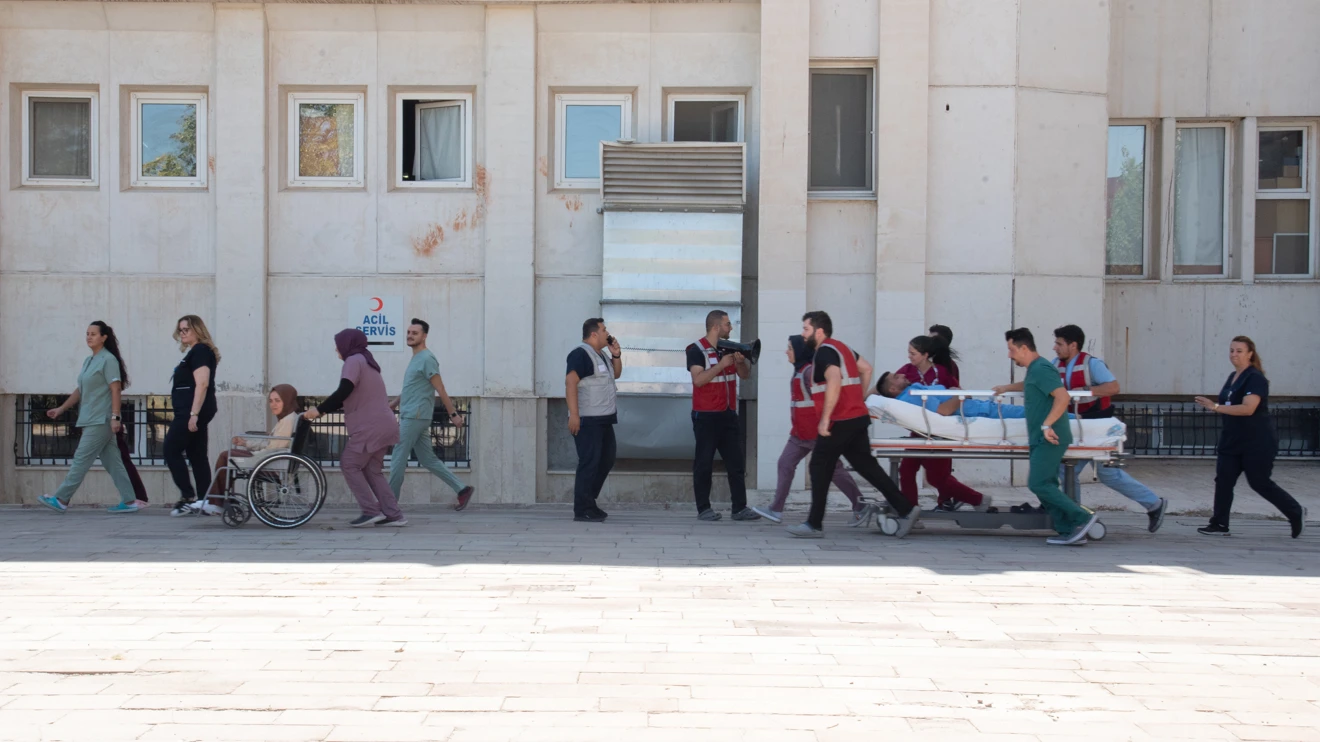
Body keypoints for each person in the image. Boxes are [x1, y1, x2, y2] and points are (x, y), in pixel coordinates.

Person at [993, 324, 1168, 532]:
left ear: (1073, 345)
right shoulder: (1053, 365)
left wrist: (1084, 391)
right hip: (1075, 425)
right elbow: (1034, 382)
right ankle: (1070, 515)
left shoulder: (1091, 364)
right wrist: (1006, 387)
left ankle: (1152, 505)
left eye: (1059, 343)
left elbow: (1113, 387)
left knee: (1107, 474)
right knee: (1066, 470)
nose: (1055, 347)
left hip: (1096, 426)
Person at [787, 311, 917, 539]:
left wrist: (826, 418)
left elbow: (835, 378)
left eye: (805, 329)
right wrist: (860, 397)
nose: (802, 334)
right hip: (856, 417)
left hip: (840, 420)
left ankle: (814, 524)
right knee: (866, 465)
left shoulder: (824, 352)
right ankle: (905, 507)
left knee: (818, 466)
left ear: (819, 331)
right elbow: (866, 368)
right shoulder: (842, 347)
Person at [1194, 336, 1306, 538]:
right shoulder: (1232, 376)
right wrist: (1216, 407)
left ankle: (1295, 511)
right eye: (1231, 350)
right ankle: (1219, 524)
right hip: (1232, 440)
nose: (1234, 354)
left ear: (1250, 354)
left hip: (1256, 441)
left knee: (1259, 482)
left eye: (1239, 351)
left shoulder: (1255, 378)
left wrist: (1216, 407)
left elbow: (1248, 409)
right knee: (1224, 480)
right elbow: (1229, 405)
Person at [749, 335, 867, 525]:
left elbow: (826, 396)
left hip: (815, 433)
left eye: (790, 348)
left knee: (835, 470)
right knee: (785, 464)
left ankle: (861, 505)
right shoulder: (800, 372)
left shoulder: (808, 372)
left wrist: (827, 424)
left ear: (799, 351)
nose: (786, 352)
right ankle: (776, 509)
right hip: (799, 434)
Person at [1003, 328, 1100, 546]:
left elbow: (1062, 397)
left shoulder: (1042, 368)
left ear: (1024, 348)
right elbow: (1032, 385)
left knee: (1038, 484)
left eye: (1011, 350)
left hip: (1051, 436)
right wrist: (1004, 388)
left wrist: (1047, 424)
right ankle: (1068, 530)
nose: (1009, 355)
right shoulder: (1036, 370)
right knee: (1046, 483)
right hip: (1042, 437)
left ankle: (1083, 517)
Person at [37, 322, 141, 514]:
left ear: (104, 337)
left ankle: (61, 499)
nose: (89, 337)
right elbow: (81, 390)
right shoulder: (89, 361)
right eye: (87, 334)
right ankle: (129, 501)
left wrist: (115, 417)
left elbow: (116, 389)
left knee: (81, 459)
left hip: (100, 419)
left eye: (93, 334)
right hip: (91, 417)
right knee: (113, 462)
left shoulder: (108, 360)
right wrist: (61, 409)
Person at [305, 329, 404, 528]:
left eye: (338, 344)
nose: (336, 349)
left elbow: (344, 390)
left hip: (370, 427)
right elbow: (353, 396)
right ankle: (394, 514)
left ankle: (370, 511)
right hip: (384, 424)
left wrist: (319, 410)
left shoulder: (354, 361)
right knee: (372, 469)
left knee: (349, 463)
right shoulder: (368, 362)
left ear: (347, 344)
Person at [892, 335, 989, 512]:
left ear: (925, 354)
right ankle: (910, 510)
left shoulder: (942, 372)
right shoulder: (906, 371)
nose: (909, 357)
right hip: (919, 430)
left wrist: (957, 398)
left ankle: (979, 500)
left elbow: (961, 392)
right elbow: (888, 385)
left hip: (941, 431)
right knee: (906, 471)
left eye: (913, 353)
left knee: (938, 478)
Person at [388, 319, 474, 512]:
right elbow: (415, 386)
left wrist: (453, 414)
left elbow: (440, 388)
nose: (410, 335)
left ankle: (389, 505)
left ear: (424, 336)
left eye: (415, 333)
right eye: (409, 332)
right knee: (428, 459)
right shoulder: (417, 358)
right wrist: (395, 402)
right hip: (413, 414)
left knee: (397, 458)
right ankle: (462, 489)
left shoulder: (427, 358)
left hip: (414, 416)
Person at [686, 310, 760, 522]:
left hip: (728, 415)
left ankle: (739, 508)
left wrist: (738, 363)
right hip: (706, 417)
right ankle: (704, 509)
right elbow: (698, 380)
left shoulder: (729, 348)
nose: (731, 328)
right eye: (728, 325)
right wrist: (721, 365)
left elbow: (745, 376)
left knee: (736, 464)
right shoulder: (696, 350)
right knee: (704, 463)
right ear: (716, 327)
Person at [201, 384, 302, 513]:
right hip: (269, 460)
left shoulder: (288, 421)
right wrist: (246, 444)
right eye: (271, 401)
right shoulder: (287, 418)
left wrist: (253, 455)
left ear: (287, 400)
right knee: (228, 456)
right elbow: (270, 444)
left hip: (268, 463)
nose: (273, 405)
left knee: (226, 456)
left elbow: (274, 448)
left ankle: (217, 502)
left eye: (278, 401)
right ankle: (219, 501)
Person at [565, 318, 622, 523]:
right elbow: (570, 383)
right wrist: (574, 414)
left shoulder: (602, 355)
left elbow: (616, 373)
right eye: (604, 329)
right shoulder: (580, 354)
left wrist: (616, 355)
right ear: (594, 334)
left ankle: (590, 501)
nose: (607, 332)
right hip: (588, 419)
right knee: (589, 462)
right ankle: (582, 509)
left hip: (604, 418)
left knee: (606, 459)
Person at [166, 315, 221, 517]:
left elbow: (203, 383)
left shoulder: (200, 351)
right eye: (180, 330)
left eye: (186, 329)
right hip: (192, 410)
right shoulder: (195, 352)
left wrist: (193, 414)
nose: (182, 333)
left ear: (198, 330)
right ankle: (205, 500)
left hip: (192, 410)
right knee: (196, 454)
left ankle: (188, 498)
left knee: (170, 449)